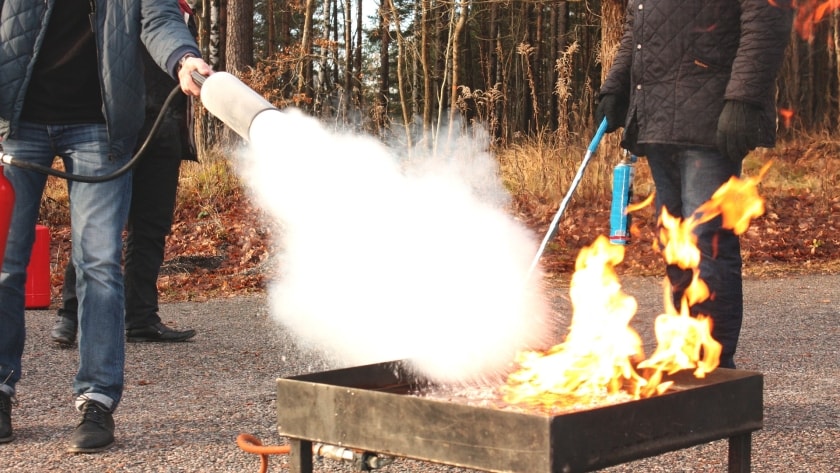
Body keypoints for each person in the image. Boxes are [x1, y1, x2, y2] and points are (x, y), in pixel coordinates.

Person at [0, 0, 212, 453]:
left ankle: (96, 400)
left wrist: (184, 57)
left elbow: (158, 17)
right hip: (15, 123)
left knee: (99, 263)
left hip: (100, 126)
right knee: (5, 262)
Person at [595, 1, 793, 369]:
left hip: (710, 119)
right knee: (675, 245)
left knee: (708, 245)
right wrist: (616, 86)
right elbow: (636, 32)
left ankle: (716, 371)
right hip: (656, 118)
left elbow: (766, 18)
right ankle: (686, 356)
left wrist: (743, 100)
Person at [50, 0, 199, 346]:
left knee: (150, 229)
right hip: (117, 128)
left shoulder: (185, 13)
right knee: (97, 225)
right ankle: (70, 317)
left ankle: (142, 318)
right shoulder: (130, 7)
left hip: (165, 130)